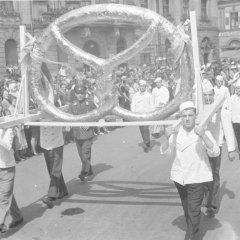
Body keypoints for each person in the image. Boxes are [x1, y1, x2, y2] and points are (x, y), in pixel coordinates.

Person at [160, 101, 220, 240]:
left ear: (195, 116)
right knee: (187, 208)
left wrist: (203, 135)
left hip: (197, 177)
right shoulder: (176, 132)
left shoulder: (202, 131)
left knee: (193, 210)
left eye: (190, 115)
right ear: (181, 117)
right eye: (184, 116)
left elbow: (215, 152)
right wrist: (166, 136)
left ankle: (191, 236)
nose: (187, 118)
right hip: (180, 177)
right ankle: (192, 231)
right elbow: (166, 152)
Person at [40, 86, 68, 208]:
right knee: (51, 170)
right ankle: (63, 190)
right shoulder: (40, 109)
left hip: (56, 143)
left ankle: (51, 195)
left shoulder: (57, 111)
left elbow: (66, 110)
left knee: (55, 169)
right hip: (45, 144)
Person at [202, 80, 224, 216]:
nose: (208, 98)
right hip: (203, 145)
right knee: (205, 172)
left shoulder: (219, 107)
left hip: (217, 145)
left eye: (210, 95)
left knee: (214, 173)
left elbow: (225, 125)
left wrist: (232, 148)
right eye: (205, 95)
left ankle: (212, 204)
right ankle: (207, 199)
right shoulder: (200, 109)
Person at [69, 85, 96, 181]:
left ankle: (83, 172)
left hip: (87, 133)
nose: (80, 95)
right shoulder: (72, 105)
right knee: (81, 155)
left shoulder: (90, 104)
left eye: (82, 93)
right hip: (77, 133)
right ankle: (89, 170)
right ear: (75, 94)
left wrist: (90, 124)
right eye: (78, 93)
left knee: (85, 153)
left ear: (85, 94)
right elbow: (70, 117)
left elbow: (96, 116)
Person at [0, 127, 23, 235]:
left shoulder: (8, 127)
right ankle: (17, 216)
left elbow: (8, 146)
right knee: (7, 194)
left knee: (4, 197)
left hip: (6, 167)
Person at [131, 80, 154, 152]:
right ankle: (147, 141)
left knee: (145, 129)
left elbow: (152, 105)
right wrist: (133, 113)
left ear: (145, 87)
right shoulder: (135, 95)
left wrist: (152, 113)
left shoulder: (149, 95)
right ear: (139, 87)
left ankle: (146, 143)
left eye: (143, 86)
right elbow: (133, 105)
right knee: (141, 129)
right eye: (141, 86)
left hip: (147, 115)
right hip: (138, 115)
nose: (142, 88)